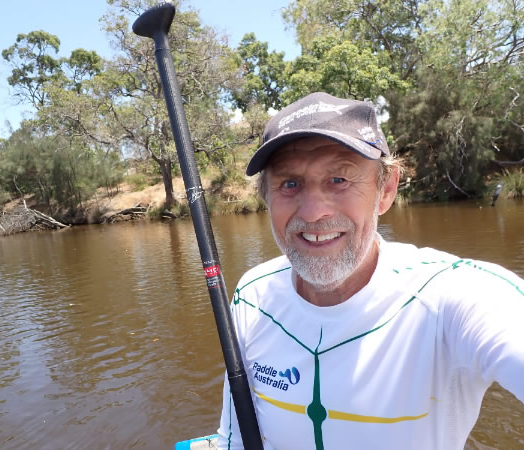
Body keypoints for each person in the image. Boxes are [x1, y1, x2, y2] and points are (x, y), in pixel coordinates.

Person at [216, 92, 524, 450]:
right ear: (266, 197)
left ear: (386, 189)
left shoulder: (450, 297)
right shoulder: (252, 296)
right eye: (290, 184)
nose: (313, 212)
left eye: (339, 180)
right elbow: (232, 440)